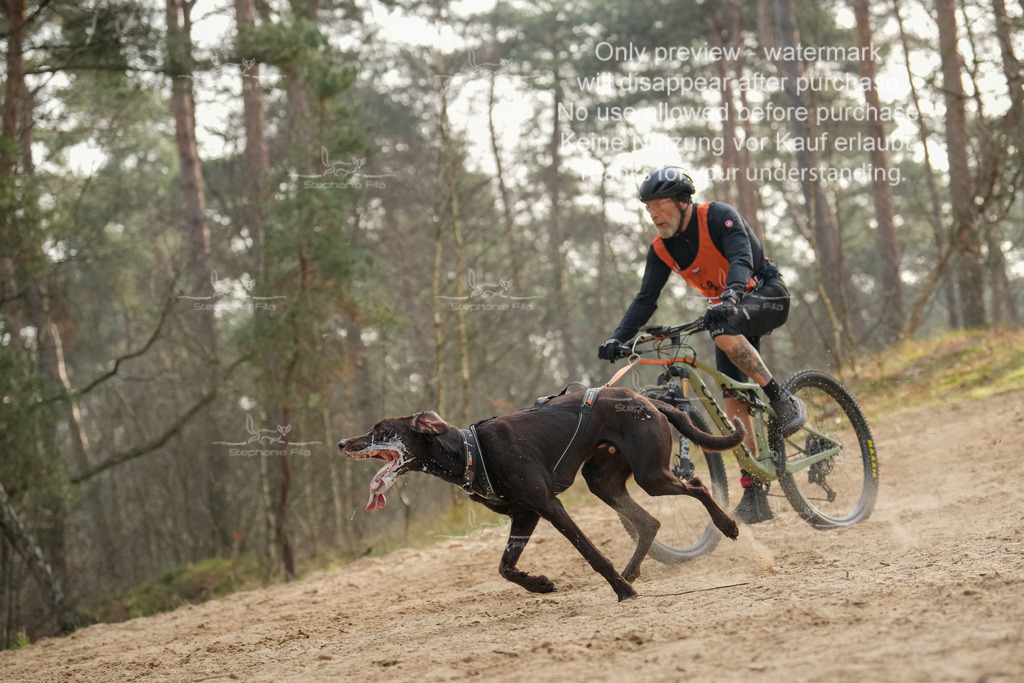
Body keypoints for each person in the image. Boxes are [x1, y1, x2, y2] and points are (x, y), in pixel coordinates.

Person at [597, 166, 805, 524]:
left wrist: (732, 294)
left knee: (722, 332)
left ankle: (781, 398)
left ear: (683, 202)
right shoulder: (661, 248)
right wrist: (619, 337)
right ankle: (756, 492)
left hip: (766, 293)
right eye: (649, 208)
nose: (654, 215)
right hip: (726, 312)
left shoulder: (718, 217)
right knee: (731, 397)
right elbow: (646, 298)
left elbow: (741, 258)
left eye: (660, 205)